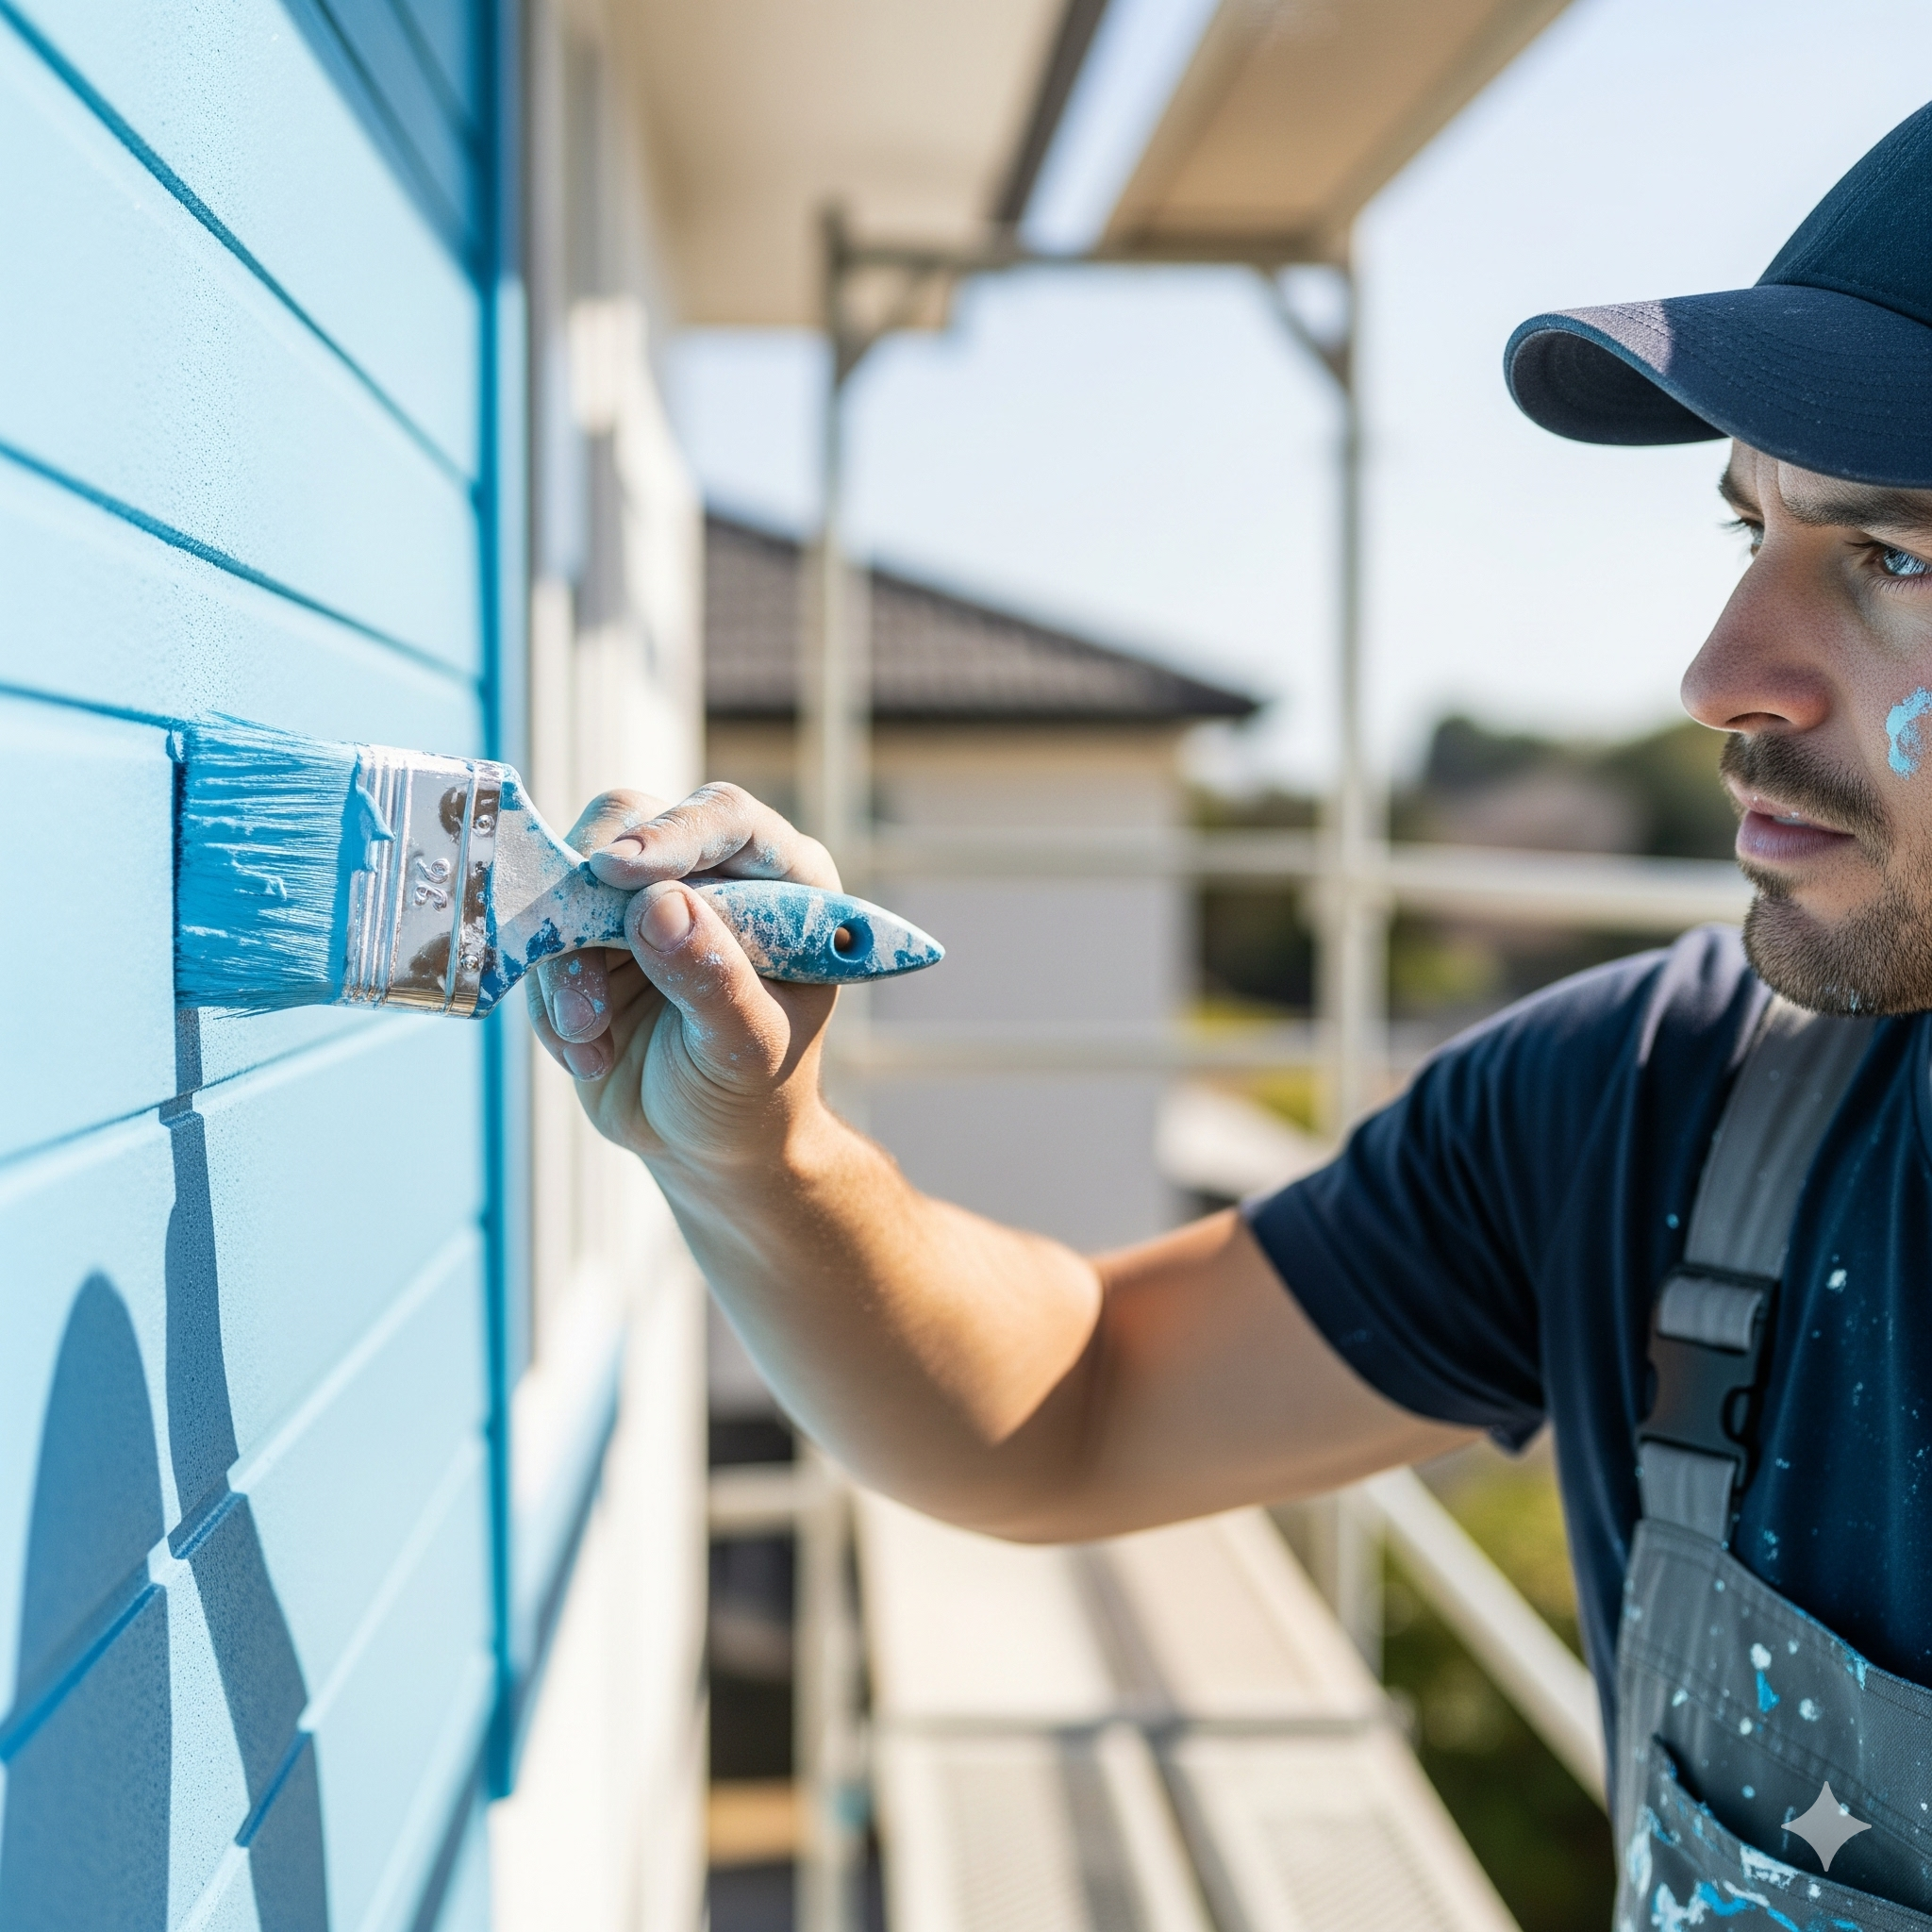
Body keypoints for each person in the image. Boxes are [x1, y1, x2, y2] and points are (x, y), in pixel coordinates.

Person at [532, 104, 1932, 1924]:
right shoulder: (1665, 1108)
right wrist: (759, 1152)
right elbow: (1075, 1402)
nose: (1717, 672)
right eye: (1744, 524)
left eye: (1897, 554)